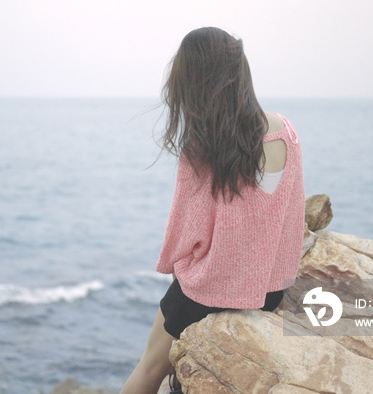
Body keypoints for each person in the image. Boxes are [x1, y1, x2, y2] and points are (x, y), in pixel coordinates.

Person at [121, 27, 305, 394]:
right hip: (269, 293)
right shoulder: (286, 132)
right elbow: (292, 214)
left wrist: (173, 270)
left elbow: (185, 234)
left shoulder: (201, 149)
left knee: (148, 370)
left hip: (209, 292)